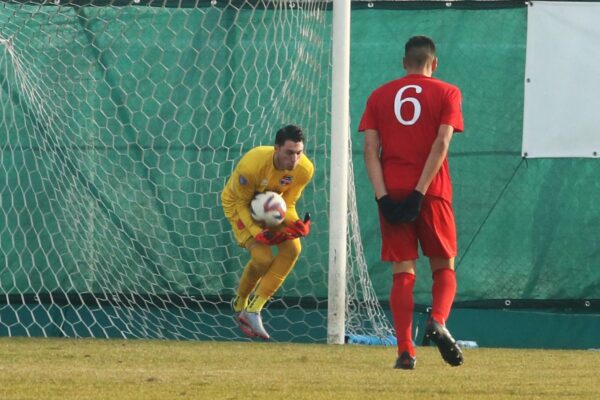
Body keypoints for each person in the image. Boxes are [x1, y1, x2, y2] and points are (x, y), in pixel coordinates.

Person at [359, 36, 464, 369]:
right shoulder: (448, 92)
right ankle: (439, 321)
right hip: (432, 191)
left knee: (402, 272)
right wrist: (421, 191)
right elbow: (442, 142)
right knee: (443, 265)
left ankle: (405, 350)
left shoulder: (379, 95)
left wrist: (383, 197)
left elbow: (369, 152)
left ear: (404, 62)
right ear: (434, 63)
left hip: (392, 190)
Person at [221, 125, 314, 340]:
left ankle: (254, 309)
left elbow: (288, 204)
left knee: (293, 248)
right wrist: (256, 232)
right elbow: (241, 203)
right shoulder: (251, 165)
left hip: (268, 209)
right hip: (238, 207)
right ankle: (240, 303)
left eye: (299, 153)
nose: (295, 159)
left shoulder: (304, 170)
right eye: (289, 153)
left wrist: (296, 223)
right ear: (276, 149)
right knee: (262, 258)